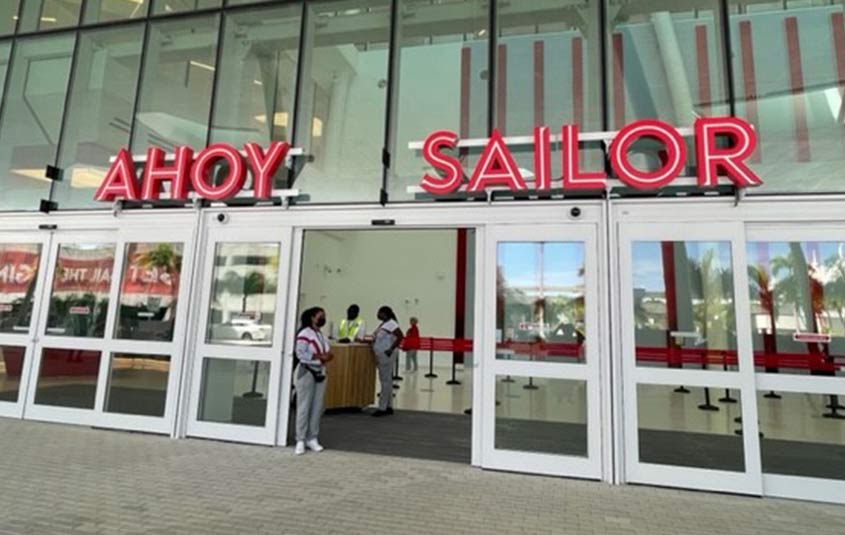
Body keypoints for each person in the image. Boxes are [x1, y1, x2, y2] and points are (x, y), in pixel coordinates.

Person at [293, 307, 333, 455]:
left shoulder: (321, 335)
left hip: (320, 371)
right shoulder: (304, 333)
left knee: (317, 407)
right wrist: (319, 357)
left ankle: (312, 437)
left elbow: (327, 352)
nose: (323, 319)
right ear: (312, 317)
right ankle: (300, 439)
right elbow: (300, 353)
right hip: (306, 372)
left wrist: (327, 357)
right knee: (304, 406)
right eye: (320, 316)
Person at [372, 305, 404, 417]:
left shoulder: (391, 324)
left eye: (379, 312)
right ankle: (389, 405)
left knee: (384, 381)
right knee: (387, 381)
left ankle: (382, 407)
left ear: (385, 314)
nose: (378, 314)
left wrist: (391, 349)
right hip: (382, 354)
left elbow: (400, 336)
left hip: (386, 354)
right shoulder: (384, 324)